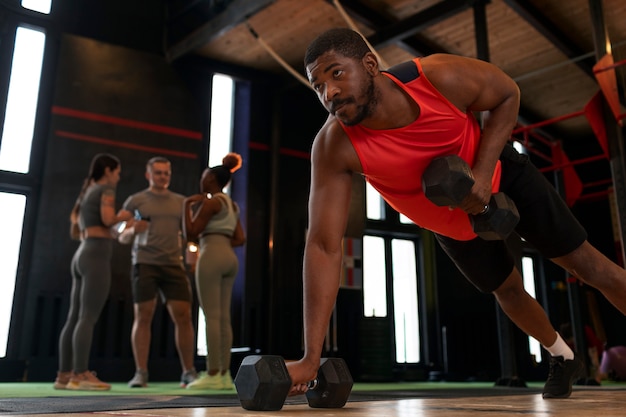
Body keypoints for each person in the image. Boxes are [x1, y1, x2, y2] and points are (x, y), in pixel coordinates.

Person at [285, 27, 626, 400]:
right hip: (447, 220)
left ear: (369, 64)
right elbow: (323, 245)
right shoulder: (334, 146)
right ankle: (562, 356)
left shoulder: (436, 77)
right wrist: (310, 356)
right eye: (317, 85)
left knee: (589, 266)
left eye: (336, 73)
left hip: (500, 176)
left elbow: (507, 93)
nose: (329, 92)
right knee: (508, 291)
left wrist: (482, 173)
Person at [55, 153, 132, 390]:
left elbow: (90, 228)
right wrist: (126, 215)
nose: (118, 177)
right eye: (117, 172)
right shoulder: (105, 190)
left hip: (82, 253)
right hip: (96, 256)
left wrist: (121, 229)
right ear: (108, 170)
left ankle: (64, 375)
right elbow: (109, 219)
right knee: (88, 317)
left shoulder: (87, 191)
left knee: (75, 317)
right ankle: (81, 375)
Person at [118, 156, 197, 388]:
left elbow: (190, 237)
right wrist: (132, 230)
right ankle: (140, 373)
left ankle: (188, 371)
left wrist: (193, 258)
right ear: (148, 174)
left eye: (166, 173)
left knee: (183, 317)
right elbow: (120, 236)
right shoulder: (136, 201)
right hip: (145, 263)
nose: (163, 177)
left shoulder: (181, 202)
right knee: (143, 316)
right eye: (158, 173)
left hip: (174, 265)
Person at [182, 153, 245, 390]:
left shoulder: (210, 202)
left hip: (211, 254)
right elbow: (241, 238)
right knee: (224, 317)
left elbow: (190, 232)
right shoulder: (232, 205)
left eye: (203, 176)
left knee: (211, 316)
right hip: (229, 256)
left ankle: (212, 373)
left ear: (210, 178)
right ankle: (224, 374)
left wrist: (186, 206)